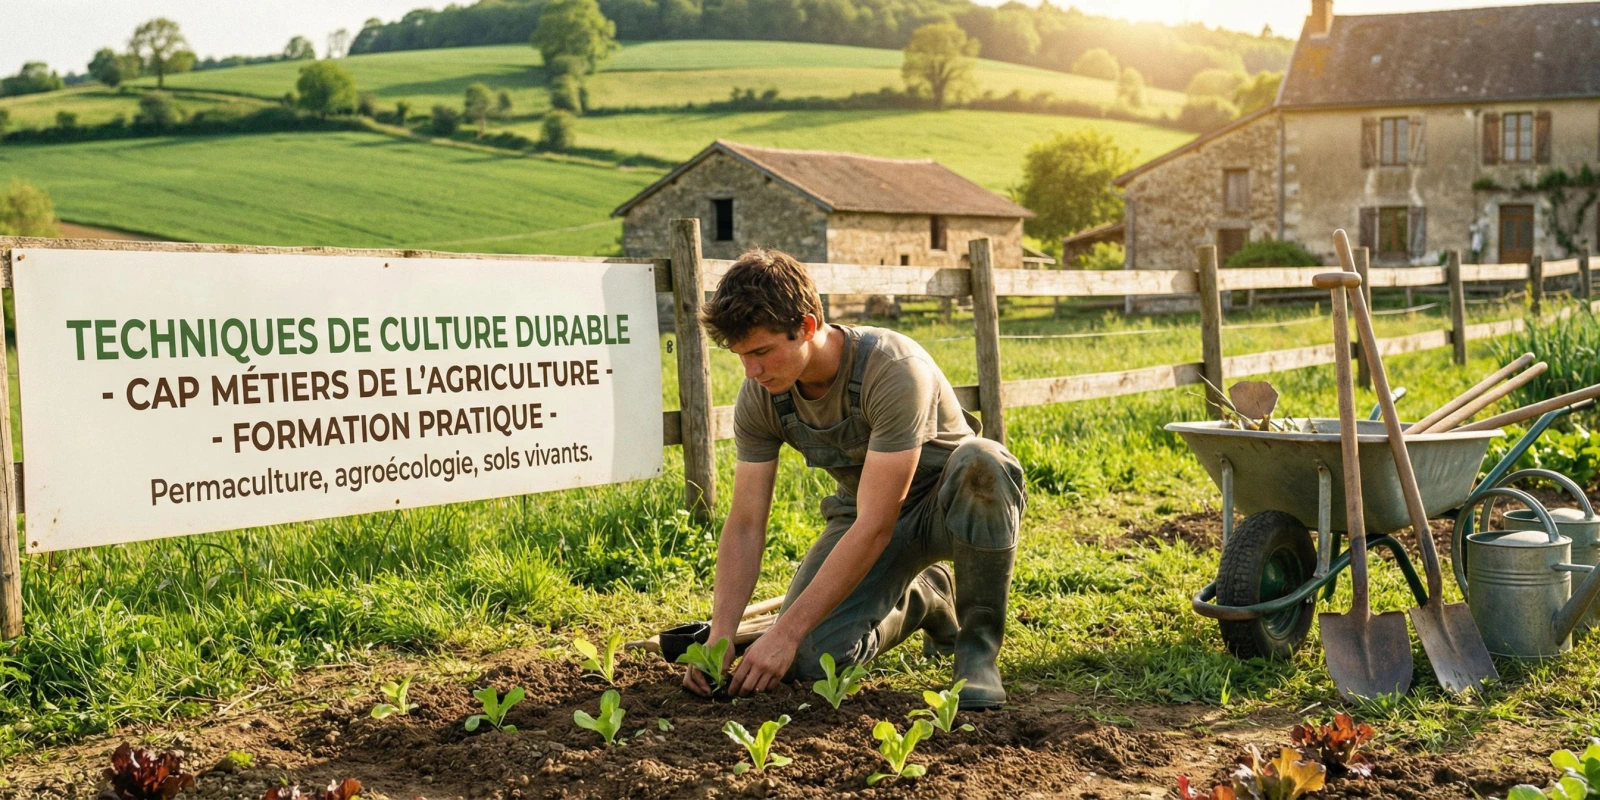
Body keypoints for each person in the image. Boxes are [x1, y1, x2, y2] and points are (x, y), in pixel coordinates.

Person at [681, 248, 1026, 709]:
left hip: (949, 505)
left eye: (762, 351)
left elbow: (876, 524)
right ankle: (925, 597)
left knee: (984, 462)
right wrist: (720, 637)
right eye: (741, 356)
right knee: (808, 661)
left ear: (807, 326)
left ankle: (977, 656)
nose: (753, 371)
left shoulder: (893, 369)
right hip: (864, 513)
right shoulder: (761, 397)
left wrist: (782, 630)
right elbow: (745, 524)